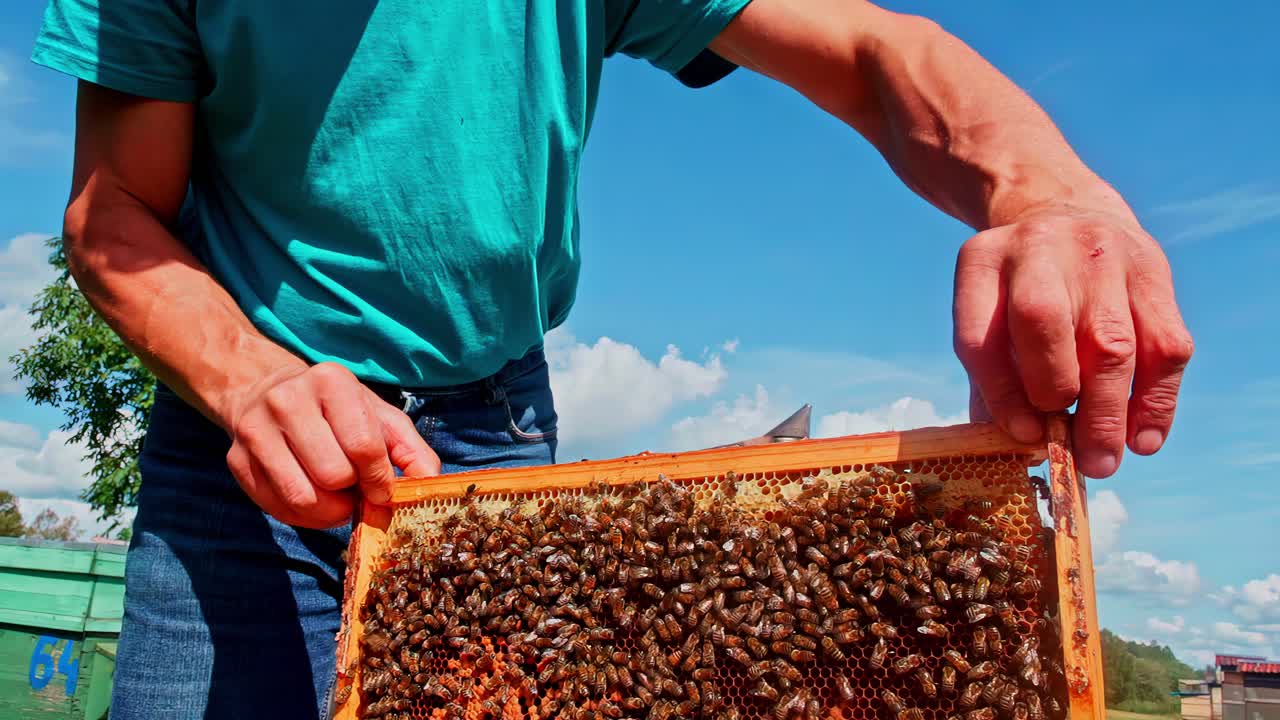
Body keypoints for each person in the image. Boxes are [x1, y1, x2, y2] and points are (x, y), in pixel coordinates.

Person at [31, 0, 1193, 717]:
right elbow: (112, 211)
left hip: (490, 435)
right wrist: (256, 382)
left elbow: (868, 47)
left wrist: (1040, 191)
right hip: (244, 440)